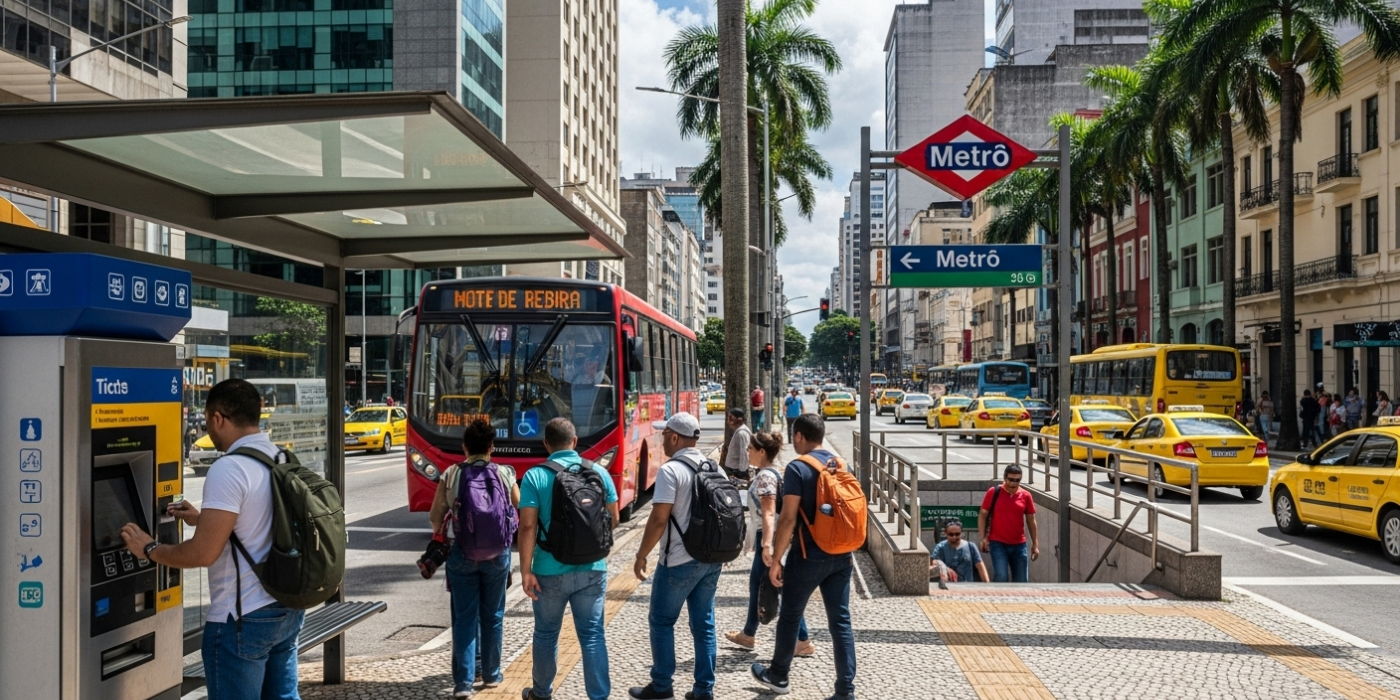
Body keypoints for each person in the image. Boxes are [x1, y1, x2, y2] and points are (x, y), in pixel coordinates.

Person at [120, 379, 305, 700]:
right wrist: (203, 520)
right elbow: (261, 523)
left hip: (242, 618)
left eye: (207, 420)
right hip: (285, 608)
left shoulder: (229, 468)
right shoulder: (281, 457)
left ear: (218, 418)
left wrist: (149, 548)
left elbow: (202, 554)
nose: (208, 428)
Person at [751, 414, 857, 700]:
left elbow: (787, 518)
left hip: (808, 555)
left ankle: (778, 676)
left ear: (799, 436)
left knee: (790, 615)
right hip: (841, 554)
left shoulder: (798, 468)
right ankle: (845, 690)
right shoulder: (840, 464)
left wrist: (776, 558)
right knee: (841, 622)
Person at [519, 418, 620, 700]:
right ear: (575, 442)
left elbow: (527, 525)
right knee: (592, 636)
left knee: (546, 634)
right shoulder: (598, 472)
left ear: (546, 444)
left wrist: (526, 571)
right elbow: (613, 518)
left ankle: (541, 693)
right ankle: (598, 696)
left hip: (548, 570)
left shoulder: (535, 476)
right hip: (593, 569)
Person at [629, 413, 722, 700]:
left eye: (664, 434)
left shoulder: (670, 471)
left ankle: (662, 687)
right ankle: (704, 691)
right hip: (712, 559)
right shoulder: (714, 467)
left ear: (674, 437)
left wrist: (641, 555)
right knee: (704, 625)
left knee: (661, 621)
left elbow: (659, 519)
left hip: (679, 561)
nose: (661, 440)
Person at [429, 417, 520, 698]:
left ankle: (464, 683)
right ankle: (491, 675)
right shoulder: (504, 473)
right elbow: (519, 505)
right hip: (498, 555)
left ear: (464, 447)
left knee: (465, 618)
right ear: (492, 447)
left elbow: (435, 515)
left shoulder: (451, 474)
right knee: (493, 615)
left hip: (462, 553)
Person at [725, 431, 815, 657]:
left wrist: (767, 546)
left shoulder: (765, 477)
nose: (748, 452)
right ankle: (748, 633)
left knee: (779, 585)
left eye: (750, 449)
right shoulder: (771, 473)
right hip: (768, 537)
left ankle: (802, 639)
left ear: (762, 451)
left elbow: (768, 512)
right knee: (758, 584)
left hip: (768, 537)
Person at [977, 465, 1039, 583]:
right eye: (1011, 479)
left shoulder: (1026, 496)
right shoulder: (994, 492)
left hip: (1019, 545)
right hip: (998, 543)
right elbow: (982, 515)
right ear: (1005, 478)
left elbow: (1031, 521)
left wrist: (1035, 544)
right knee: (1001, 577)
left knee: (1021, 581)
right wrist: (982, 538)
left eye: (1017, 480)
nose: (1013, 483)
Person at [930, 521, 988, 590]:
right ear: (946, 534)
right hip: (948, 587)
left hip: (968, 587)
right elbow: (934, 561)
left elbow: (980, 567)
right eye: (951, 534)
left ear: (961, 533)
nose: (954, 537)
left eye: (957, 534)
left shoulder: (971, 547)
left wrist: (987, 586)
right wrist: (945, 567)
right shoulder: (940, 547)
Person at [723, 408, 752, 481]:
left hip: (737, 471)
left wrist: (742, 472)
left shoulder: (741, 433)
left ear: (739, 420)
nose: (728, 421)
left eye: (731, 418)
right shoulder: (738, 432)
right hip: (733, 469)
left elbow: (744, 453)